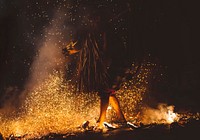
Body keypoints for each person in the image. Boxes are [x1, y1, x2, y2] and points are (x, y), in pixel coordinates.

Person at [63, 12, 127, 129]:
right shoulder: (97, 32)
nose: (91, 23)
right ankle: (122, 119)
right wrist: (69, 49)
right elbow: (79, 45)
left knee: (105, 92)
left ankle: (101, 123)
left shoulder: (107, 33)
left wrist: (104, 67)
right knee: (110, 93)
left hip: (118, 64)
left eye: (93, 20)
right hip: (116, 64)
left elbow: (108, 51)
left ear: (98, 19)